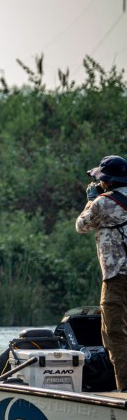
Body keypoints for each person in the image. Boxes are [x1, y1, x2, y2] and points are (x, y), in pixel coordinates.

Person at [76, 155, 127, 392]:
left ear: (108, 180)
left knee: (114, 332)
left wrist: (91, 200)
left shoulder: (103, 203)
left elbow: (81, 225)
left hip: (117, 276)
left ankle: (124, 388)